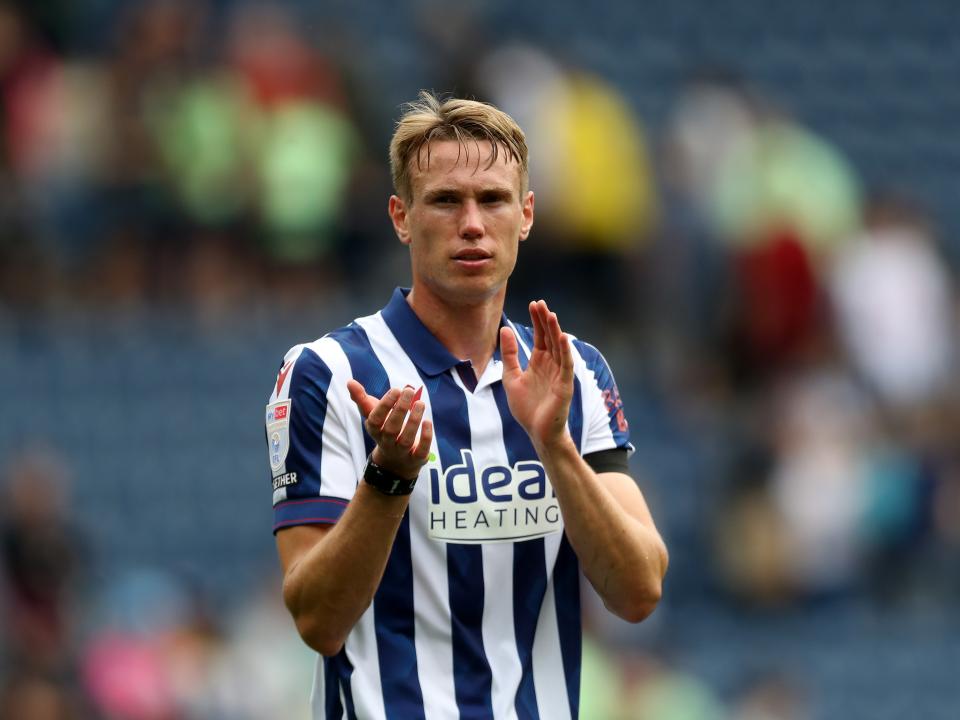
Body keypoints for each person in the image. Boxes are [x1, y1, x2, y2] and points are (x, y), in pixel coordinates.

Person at [265, 91, 668, 719]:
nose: (473, 223)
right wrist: (387, 478)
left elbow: (639, 591)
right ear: (401, 216)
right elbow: (318, 621)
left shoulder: (574, 373)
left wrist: (555, 446)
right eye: (446, 200)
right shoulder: (328, 373)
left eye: (494, 200)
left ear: (527, 214)